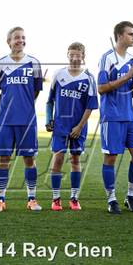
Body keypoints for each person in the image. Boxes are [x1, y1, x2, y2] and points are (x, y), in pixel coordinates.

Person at [98, 21, 133, 214]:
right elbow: (101, 88)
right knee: (110, 158)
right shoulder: (107, 58)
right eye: (130, 34)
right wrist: (128, 76)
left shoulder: (132, 59)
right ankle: (111, 199)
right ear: (119, 36)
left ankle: (131, 196)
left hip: (129, 115)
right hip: (111, 116)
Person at [0, 26, 43, 212]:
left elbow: (35, 91)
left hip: (27, 119)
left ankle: (32, 199)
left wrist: (24, 105)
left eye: (23, 37)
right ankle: (0, 200)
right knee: (3, 158)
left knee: (29, 158)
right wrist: (7, 107)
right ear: (9, 42)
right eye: (16, 38)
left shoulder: (34, 63)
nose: (20, 40)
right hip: (6, 120)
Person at [46, 42, 98, 211]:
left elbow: (90, 106)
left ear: (83, 56)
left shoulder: (89, 78)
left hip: (78, 126)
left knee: (75, 159)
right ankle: (56, 198)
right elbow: (50, 101)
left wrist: (80, 126)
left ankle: (74, 198)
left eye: (78, 55)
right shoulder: (58, 74)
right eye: (72, 54)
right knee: (58, 158)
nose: (75, 58)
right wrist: (49, 119)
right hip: (61, 125)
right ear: (67, 55)